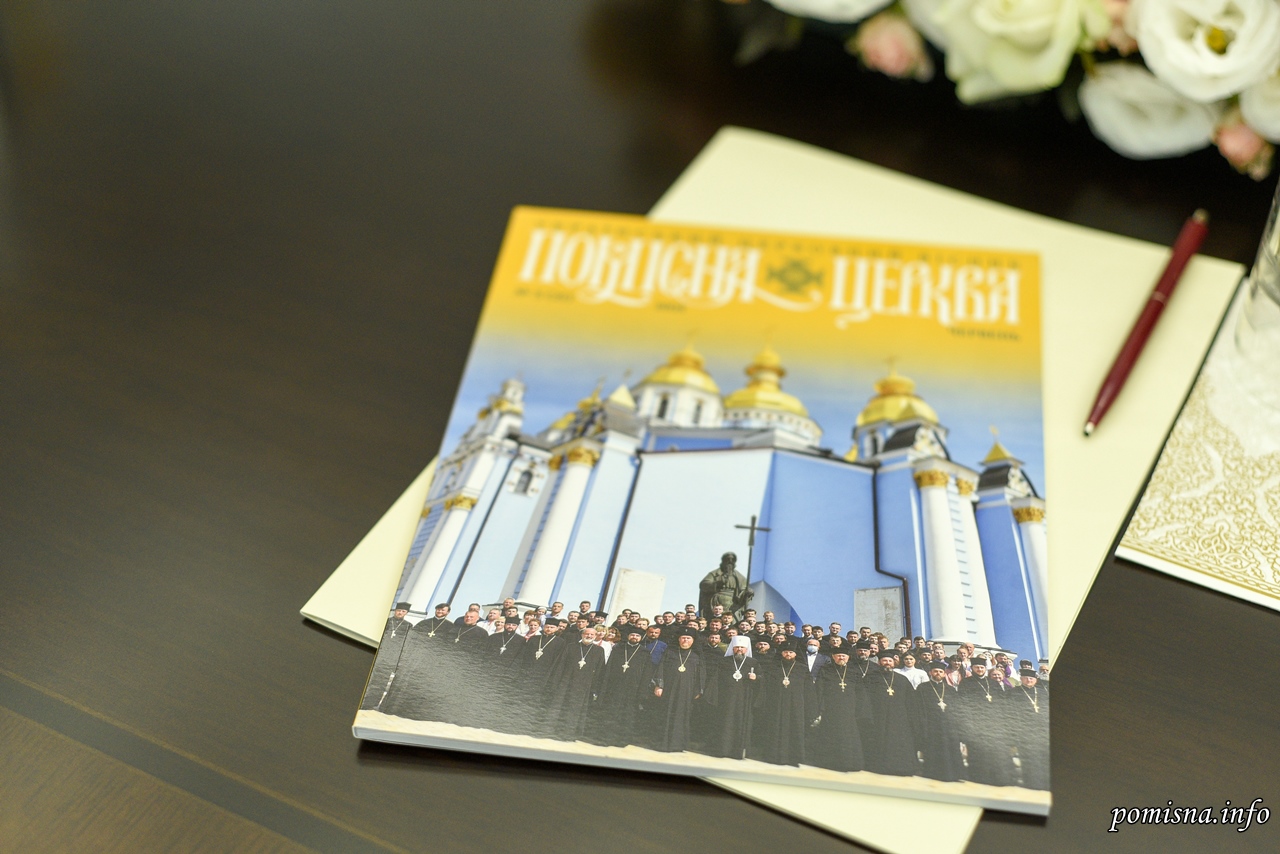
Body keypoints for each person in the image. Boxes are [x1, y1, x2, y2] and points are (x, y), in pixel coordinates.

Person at [753, 641, 816, 766]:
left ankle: (794, 758)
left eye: (791, 652)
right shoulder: (773, 667)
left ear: (795, 654)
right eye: (786, 652)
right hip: (776, 704)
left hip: (796, 705)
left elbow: (809, 690)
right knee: (775, 727)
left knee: (794, 728)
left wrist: (810, 707)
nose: (788, 654)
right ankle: (773, 756)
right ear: (781, 653)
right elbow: (766, 686)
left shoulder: (802, 669)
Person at [542, 626, 607, 740]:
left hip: (583, 684)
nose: (589, 636)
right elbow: (561, 663)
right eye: (586, 634)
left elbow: (599, 670)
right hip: (566, 681)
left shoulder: (599, 650)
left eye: (592, 634)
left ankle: (568, 734)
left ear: (595, 636)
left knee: (575, 709)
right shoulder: (571, 646)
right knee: (559, 705)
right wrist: (556, 681)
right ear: (582, 635)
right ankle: (551, 731)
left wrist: (594, 687)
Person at [862, 650, 918, 776]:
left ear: (894, 663)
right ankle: (880, 767)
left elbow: (911, 700)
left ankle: (901, 768)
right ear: (879, 662)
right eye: (884, 660)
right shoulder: (870, 678)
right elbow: (865, 698)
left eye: (890, 661)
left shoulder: (902, 679)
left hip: (899, 717)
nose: (887, 663)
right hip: (878, 716)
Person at [703, 636, 760, 759]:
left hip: (744, 699)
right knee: (724, 723)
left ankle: (736, 752)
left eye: (742, 647)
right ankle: (722, 750)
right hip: (725, 698)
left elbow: (761, 679)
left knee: (740, 723)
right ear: (732, 648)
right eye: (737, 647)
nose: (739, 649)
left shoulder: (753, 662)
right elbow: (716, 678)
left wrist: (756, 678)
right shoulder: (724, 661)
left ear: (746, 649)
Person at [809, 650, 865, 772]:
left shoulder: (854, 671)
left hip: (849, 709)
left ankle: (849, 763)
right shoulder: (825, 670)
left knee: (849, 735)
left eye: (843, 655)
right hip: (831, 708)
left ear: (848, 657)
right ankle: (829, 762)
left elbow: (860, 692)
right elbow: (819, 689)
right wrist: (820, 707)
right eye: (838, 655)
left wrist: (859, 709)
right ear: (833, 657)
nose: (841, 657)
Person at [650, 628, 704, 752]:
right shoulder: (670, 653)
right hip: (668, 689)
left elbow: (701, 675)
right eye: (683, 638)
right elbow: (660, 669)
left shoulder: (696, 657)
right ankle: (662, 743)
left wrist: (698, 691)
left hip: (687, 692)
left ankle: (677, 745)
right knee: (665, 713)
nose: (685, 640)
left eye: (688, 638)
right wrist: (659, 685)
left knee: (681, 715)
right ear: (679, 639)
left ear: (693, 641)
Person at [954, 658, 1007, 786]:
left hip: (994, 722)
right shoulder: (966, 683)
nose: (979, 669)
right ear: (972, 668)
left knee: (994, 751)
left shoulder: (993, 683)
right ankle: (978, 777)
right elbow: (963, 704)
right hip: (976, 722)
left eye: (982, 667)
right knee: (977, 750)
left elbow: (1002, 703)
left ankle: (996, 778)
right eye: (977, 667)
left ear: (985, 669)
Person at [914, 660, 964, 782]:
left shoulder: (950, 689)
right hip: (931, 725)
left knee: (949, 749)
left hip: (948, 726)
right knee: (933, 748)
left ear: (944, 674)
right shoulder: (922, 688)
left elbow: (957, 708)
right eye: (935, 671)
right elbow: (918, 708)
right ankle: (932, 773)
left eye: (940, 671)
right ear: (930, 672)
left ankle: (952, 774)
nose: (938, 673)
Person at [361, 602, 414, 711]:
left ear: (406, 613)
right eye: (398, 610)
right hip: (379, 654)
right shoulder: (386, 621)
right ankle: (362, 700)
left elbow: (407, 643)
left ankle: (371, 704)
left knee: (382, 681)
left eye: (403, 611)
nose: (400, 613)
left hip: (392, 658)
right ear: (395, 610)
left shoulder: (408, 626)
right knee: (370, 678)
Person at [1005, 665, 1050, 789]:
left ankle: (1046, 784)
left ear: (1035, 679)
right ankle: (1032, 784)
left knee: (1044, 757)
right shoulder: (1014, 693)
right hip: (1025, 731)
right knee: (1030, 758)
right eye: (1026, 678)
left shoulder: (1043, 692)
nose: (1029, 680)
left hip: (1043, 731)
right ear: (1021, 679)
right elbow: (1011, 712)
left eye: (1031, 678)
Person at [698, 552, 752, 621]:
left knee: (732, 621)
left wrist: (747, 593)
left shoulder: (739, 577)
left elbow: (743, 590)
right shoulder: (715, 574)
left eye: (732, 560)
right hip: (717, 601)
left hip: (732, 604)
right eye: (727, 559)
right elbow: (704, 584)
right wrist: (716, 583)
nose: (730, 561)